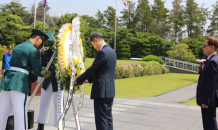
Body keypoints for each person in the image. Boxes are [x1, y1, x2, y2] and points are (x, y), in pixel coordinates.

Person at [0, 29, 55, 130]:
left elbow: (22, 67)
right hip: (19, 84)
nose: (40, 45)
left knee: (2, 113)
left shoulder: (18, 47)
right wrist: (52, 75)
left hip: (7, 81)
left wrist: (35, 79)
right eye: (41, 42)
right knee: (20, 114)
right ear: (38, 38)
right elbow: (37, 70)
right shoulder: (33, 50)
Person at [75, 32, 117, 130]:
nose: (94, 47)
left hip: (101, 91)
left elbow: (92, 69)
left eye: (93, 44)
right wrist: (87, 80)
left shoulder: (102, 52)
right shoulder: (111, 51)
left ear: (96, 40)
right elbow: (102, 70)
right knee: (108, 119)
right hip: (109, 91)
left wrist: (78, 80)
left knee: (101, 120)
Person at [37, 31, 64, 130]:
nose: (51, 46)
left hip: (58, 82)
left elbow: (65, 68)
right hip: (47, 81)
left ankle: (59, 125)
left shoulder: (62, 53)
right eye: (49, 43)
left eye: (53, 44)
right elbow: (41, 66)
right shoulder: (45, 52)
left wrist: (55, 73)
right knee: (44, 103)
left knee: (58, 105)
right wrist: (42, 73)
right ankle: (41, 123)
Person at [196, 36, 218, 130]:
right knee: (209, 124)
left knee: (210, 125)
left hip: (208, 101)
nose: (202, 48)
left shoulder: (212, 61)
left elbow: (211, 83)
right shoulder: (213, 59)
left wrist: (206, 101)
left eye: (204, 46)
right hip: (210, 100)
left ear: (212, 47)